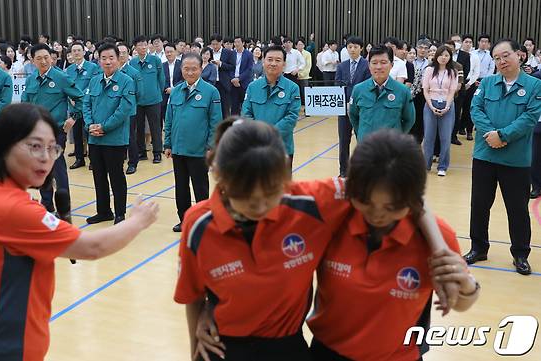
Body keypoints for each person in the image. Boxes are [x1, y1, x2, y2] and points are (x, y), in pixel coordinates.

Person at [182, 122, 465, 361]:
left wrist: (439, 248)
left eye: (270, 193)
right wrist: (203, 326)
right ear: (219, 175)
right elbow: (192, 296)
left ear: (285, 173)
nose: (259, 206)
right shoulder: (198, 224)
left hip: (288, 347)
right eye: (245, 196)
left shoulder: (312, 202)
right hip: (224, 344)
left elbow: (401, 192)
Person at [0, 103, 159, 361]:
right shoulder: (11, 209)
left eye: (52, 148)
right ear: (4, 145)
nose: (46, 157)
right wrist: (138, 221)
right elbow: (92, 248)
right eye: (35, 146)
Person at [307, 130, 478, 361]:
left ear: (413, 198)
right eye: (366, 202)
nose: (377, 214)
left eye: (392, 207)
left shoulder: (438, 237)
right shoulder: (334, 218)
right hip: (327, 352)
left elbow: (459, 304)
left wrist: (467, 285)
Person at [464, 38, 541, 275]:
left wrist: (504, 136)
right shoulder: (487, 83)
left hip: (515, 159)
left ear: (519, 55)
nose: (501, 61)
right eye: (497, 58)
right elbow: (475, 110)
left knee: (517, 208)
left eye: (505, 55)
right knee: (479, 205)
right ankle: (478, 247)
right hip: (485, 155)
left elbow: (530, 117)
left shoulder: (535, 85)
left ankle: (520, 253)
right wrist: (491, 135)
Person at [21, 43, 83, 212]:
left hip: (56, 132)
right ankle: (47, 204)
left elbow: (81, 98)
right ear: (32, 61)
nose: (43, 61)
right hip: (35, 133)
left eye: (46, 57)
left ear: (52, 58)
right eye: (39, 58)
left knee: (57, 167)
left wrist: (73, 117)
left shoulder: (60, 77)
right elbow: (25, 103)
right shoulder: (30, 79)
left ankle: (64, 206)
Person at [164, 53, 222, 232]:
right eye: (186, 69)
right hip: (178, 149)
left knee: (200, 188)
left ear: (201, 69)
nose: (190, 72)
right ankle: (185, 219)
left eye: (194, 69)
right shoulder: (176, 91)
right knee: (181, 188)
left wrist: (211, 147)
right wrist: (167, 144)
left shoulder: (211, 92)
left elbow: (216, 122)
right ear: (181, 70)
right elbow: (169, 119)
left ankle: (204, 221)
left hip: (199, 151)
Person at [82, 43, 135, 225]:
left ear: (118, 58)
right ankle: (104, 211)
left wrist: (104, 127)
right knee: (98, 176)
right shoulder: (94, 80)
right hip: (95, 139)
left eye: (111, 57)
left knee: (116, 176)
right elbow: (86, 104)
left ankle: (120, 213)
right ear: (98, 60)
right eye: (103, 58)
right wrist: (89, 125)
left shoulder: (126, 81)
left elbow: (124, 110)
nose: (107, 61)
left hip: (114, 139)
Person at [242, 45, 300, 168]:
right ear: (263, 61)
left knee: (281, 187)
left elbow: (292, 117)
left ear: (284, 63)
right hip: (256, 148)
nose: (273, 63)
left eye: (278, 60)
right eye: (269, 59)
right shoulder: (253, 87)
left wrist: (269, 135)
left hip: (282, 148)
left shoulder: (293, 88)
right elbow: (246, 114)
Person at [349, 45, 415, 141]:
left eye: (383, 62)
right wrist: (363, 134)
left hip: (392, 148)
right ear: (369, 65)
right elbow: (353, 116)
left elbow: (409, 120)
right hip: (366, 147)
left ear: (392, 65)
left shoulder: (403, 91)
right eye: (374, 63)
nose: (379, 67)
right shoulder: (358, 89)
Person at [334, 36, 371, 177]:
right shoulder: (341, 66)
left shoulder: (367, 65)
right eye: (350, 47)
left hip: (361, 109)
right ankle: (343, 171)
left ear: (361, 48)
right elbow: (337, 85)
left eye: (355, 47)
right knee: (343, 141)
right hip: (343, 109)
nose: (352, 49)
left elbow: (368, 87)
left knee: (362, 140)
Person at [421, 45, 459, 177]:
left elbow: (452, 91)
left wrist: (447, 106)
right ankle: (426, 165)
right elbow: (425, 89)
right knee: (429, 137)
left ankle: (442, 166)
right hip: (430, 103)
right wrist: (431, 106)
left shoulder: (453, 72)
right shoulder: (429, 70)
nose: (443, 58)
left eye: (447, 55)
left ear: (450, 57)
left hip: (447, 104)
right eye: (441, 55)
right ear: (436, 56)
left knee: (445, 137)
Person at [130, 35, 165, 164]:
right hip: (138, 101)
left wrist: (157, 92)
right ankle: (141, 152)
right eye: (140, 45)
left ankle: (157, 153)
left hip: (154, 100)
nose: (143, 47)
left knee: (155, 127)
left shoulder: (155, 60)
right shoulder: (132, 62)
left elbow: (161, 80)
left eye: (145, 44)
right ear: (135, 47)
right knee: (139, 128)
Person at [65, 41, 101, 170]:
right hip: (74, 107)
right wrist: (71, 97)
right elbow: (66, 87)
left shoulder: (93, 67)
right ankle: (79, 158)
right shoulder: (68, 70)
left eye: (78, 50)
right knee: (77, 134)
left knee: (89, 133)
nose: (76, 53)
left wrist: (82, 98)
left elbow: (94, 85)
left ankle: (93, 160)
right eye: (73, 51)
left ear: (84, 52)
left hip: (87, 107)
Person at [117, 42, 141, 175]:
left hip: (129, 110)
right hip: (114, 110)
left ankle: (133, 162)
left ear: (128, 54)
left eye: (124, 53)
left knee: (130, 136)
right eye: (119, 53)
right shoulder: (112, 71)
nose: (121, 55)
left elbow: (139, 93)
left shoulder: (133, 73)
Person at [410, 38, 431, 144]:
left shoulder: (430, 64)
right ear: (416, 48)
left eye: (425, 48)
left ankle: (418, 140)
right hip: (410, 92)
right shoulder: (410, 62)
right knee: (410, 116)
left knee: (421, 118)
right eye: (420, 47)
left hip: (424, 94)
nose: (423, 50)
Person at [229, 36, 253, 115]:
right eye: (235, 42)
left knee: (245, 105)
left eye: (238, 42)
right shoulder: (231, 53)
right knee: (234, 106)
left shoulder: (249, 54)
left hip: (244, 83)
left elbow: (249, 70)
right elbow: (230, 68)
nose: (236, 44)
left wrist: (238, 79)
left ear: (243, 43)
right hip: (233, 83)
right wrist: (233, 79)